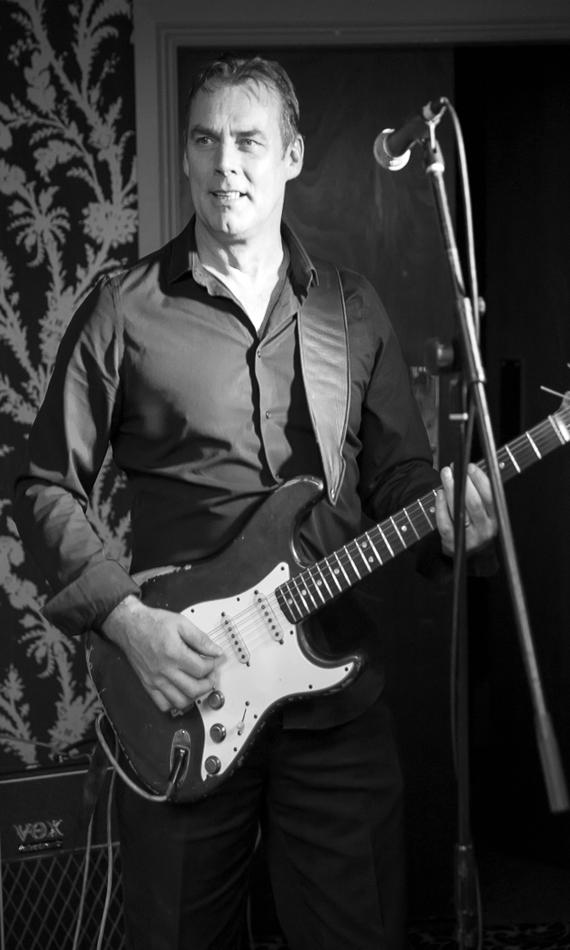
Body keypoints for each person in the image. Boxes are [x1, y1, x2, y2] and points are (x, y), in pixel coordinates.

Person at [12, 54, 497, 950]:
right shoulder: (124, 309)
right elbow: (44, 484)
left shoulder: (350, 309)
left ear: (293, 155)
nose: (224, 163)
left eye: (247, 141)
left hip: (336, 696)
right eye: (205, 141)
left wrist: (450, 518)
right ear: (186, 156)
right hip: (182, 693)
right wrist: (127, 621)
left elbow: (398, 480)